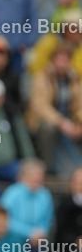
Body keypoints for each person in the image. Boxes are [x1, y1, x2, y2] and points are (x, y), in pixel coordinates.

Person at [27, 41, 82, 176]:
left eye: (66, 59)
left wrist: (79, 123)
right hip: (47, 122)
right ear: (53, 60)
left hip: (70, 121)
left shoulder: (75, 79)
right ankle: (49, 167)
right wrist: (62, 122)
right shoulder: (42, 76)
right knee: (49, 127)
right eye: (60, 59)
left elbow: (79, 104)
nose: (63, 63)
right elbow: (40, 106)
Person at [0, 159, 54, 252]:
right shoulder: (12, 193)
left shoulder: (45, 195)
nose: (39, 177)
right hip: (13, 239)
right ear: (24, 176)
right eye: (35, 174)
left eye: (40, 174)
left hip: (38, 240)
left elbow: (47, 219)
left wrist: (40, 233)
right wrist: (29, 233)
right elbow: (3, 219)